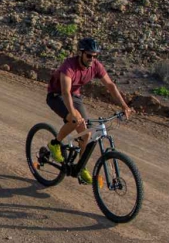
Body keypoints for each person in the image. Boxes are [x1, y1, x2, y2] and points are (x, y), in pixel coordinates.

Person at [43, 36, 131, 182]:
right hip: (57, 95)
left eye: (95, 56)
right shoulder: (69, 65)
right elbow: (65, 92)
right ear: (81, 53)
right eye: (89, 55)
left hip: (75, 96)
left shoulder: (95, 66)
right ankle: (54, 144)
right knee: (75, 120)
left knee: (86, 134)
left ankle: (81, 166)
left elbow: (110, 85)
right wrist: (72, 113)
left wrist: (124, 105)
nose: (92, 59)